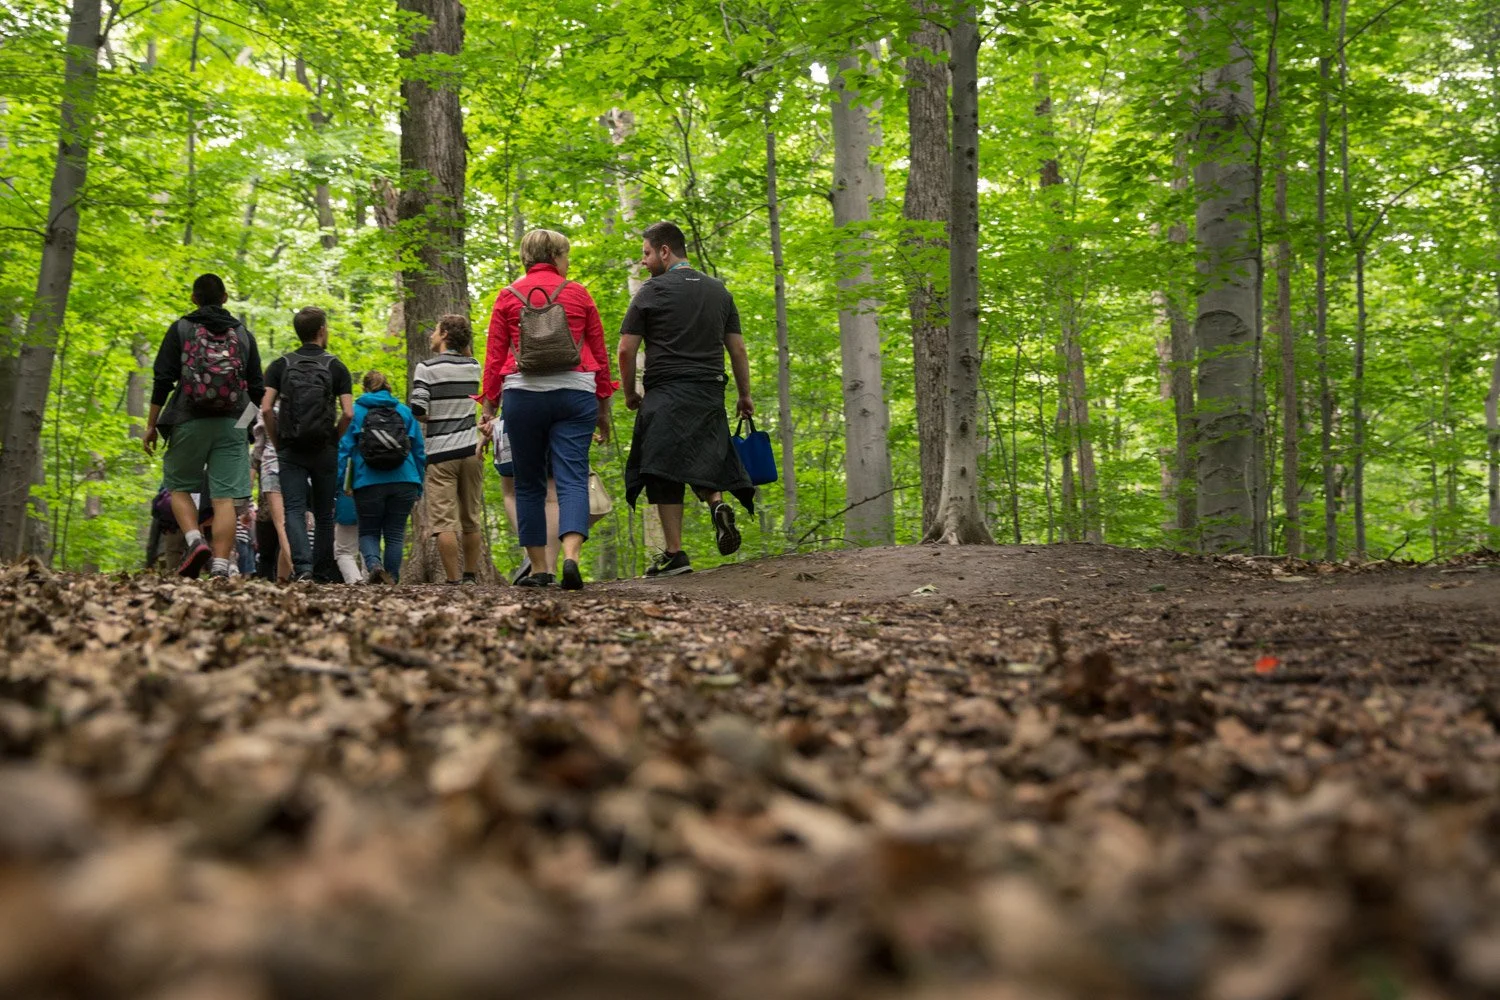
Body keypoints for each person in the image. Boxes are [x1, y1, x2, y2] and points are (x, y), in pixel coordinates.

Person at [479, 228, 616, 591]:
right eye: (565, 255)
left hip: (523, 396)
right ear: (555, 256)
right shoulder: (578, 293)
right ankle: (571, 558)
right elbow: (599, 354)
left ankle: (540, 569)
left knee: (527, 483)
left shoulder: (507, 296)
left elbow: (494, 357)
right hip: (576, 394)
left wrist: (489, 407)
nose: (567, 262)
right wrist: (603, 408)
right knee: (572, 478)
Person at [619, 221, 754, 577]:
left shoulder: (651, 291)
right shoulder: (719, 291)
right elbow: (738, 350)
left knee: (662, 468)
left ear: (665, 251)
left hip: (665, 391)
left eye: (646, 253)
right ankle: (716, 504)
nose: (643, 261)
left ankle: (675, 553)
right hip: (708, 389)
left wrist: (630, 392)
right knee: (704, 454)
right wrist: (744, 395)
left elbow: (625, 349)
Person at [143, 273, 265, 578]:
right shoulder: (243, 335)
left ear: (193, 298)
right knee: (225, 499)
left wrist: (151, 425)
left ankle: (195, 540)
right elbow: (258, 390)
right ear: (225, 298)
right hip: (231, 424)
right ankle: (221, 567)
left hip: (188, 418)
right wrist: (243, 426)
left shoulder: (181, 328)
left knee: (179, 487)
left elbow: (163, 380)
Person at [260, 307, 354, 582]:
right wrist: (334, 439)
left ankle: (303, 570)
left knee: (294, 509)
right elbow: (348, 413)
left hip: (290, 448)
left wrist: (278, 442)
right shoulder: (336, 366)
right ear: (322, 330)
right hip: (324, 448)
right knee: (324, 513)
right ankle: (322, 572)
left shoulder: (280, 365)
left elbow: (266, 409)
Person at [410, 314, 484, 584]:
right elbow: (468, 355)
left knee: (444, 522)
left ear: (444, 335)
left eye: (435, 330)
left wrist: (429, 417)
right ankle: (470, 576)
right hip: (471, 450)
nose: (431, 335)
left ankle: (453, 581)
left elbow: (418, 408)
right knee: (471, 518)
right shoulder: (474, 366)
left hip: (441, 454)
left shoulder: (426, 368)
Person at [338, 370, 426, 584]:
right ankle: (392, 579)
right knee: (395, 533)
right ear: (387, 387)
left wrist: (341, 484)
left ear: (364, 388)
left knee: (368, 532)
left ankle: (374, 565)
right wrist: (419, 484)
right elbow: (419, 451)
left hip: (367, 481)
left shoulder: (355, 412)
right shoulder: (404, 411)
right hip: (405, 480)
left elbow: (344, 451)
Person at [251, 409, 293, 581]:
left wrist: (245, 497)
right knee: (290, 529)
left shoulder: (265, 407)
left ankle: (295, 573)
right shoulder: (305, 404)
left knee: (270, 548)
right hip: (298, 474)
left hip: (271, 479)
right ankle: (284, 580)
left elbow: (257, 453)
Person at [334, 491, 365, 584]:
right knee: (370, 548)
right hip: (373, 508)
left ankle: (354, 580)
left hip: (347, 508)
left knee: (344, 551)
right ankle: (371, 580)